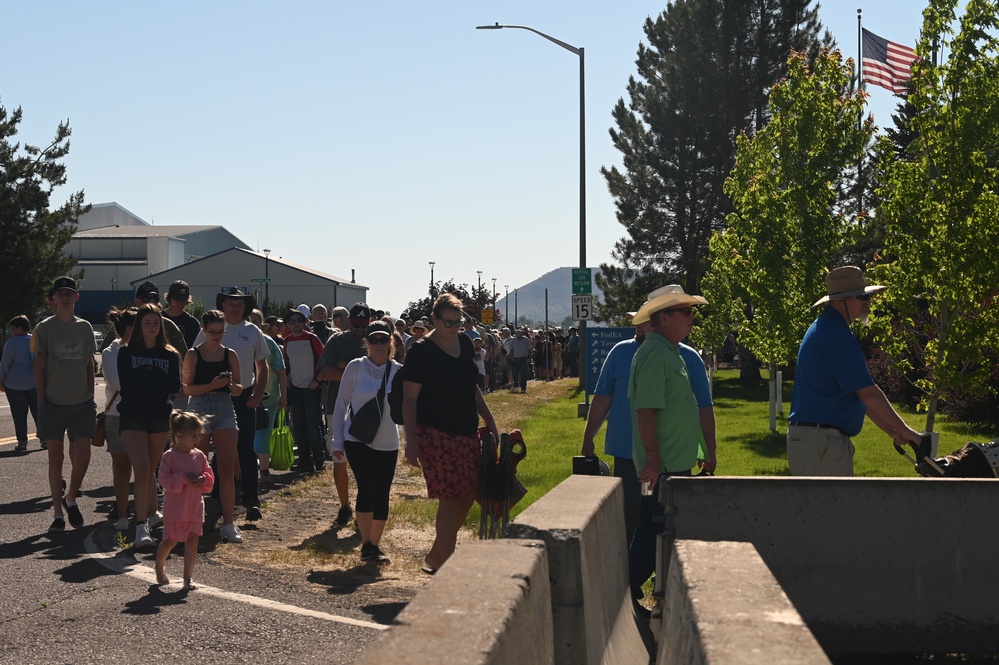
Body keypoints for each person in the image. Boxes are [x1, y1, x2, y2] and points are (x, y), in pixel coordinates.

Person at [788, 266, 921, 475]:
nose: (867, 302)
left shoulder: (830, 328)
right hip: (820, 440)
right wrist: (908, 431)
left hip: (818, 439)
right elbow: (867, 393)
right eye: (861, 296)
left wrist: (893, 431)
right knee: (829, 507)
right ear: (842, 301)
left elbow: (859, 396)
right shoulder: (835, 334)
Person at [403, 293, 499, 573]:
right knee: (449, 497)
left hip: (466, 432)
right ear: (434, 319)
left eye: (457, 323)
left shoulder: (466, 342)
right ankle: (447, 565)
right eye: (448, 323)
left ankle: (436, 555)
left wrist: (489, 418)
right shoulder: (421, 351)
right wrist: (411, 442)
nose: (454, 328)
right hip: (434, 434)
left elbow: (471, 385)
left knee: (467, 495)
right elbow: (409, 399)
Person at [626, 286, 708, 602]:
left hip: (667, 464)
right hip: (660, 468)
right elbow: (646, 411)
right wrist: (652, 461)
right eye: (685, 311)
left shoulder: (667, 351)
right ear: (664, 318)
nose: (692, 317)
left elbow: (678, 408)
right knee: (656, 526)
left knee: (652, 524)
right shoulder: (656, 353)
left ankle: (635, 590)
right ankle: (638, 591)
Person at [192, 287, 269, 524]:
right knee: (217, 451)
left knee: (246, 448)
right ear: (222, 306)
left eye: (239, 304)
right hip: (213, 396)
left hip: (243, 396)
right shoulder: (212, 329)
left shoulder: (253, 331)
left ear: (245, 307)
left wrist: (257, 395)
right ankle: (216, 498)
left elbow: (262, 367)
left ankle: (252, 501)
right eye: (229, 303)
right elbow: (194, 356)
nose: (234, 307)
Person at [330, 321, 402, 563]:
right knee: (368, 486)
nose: (378, 344)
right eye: (374, 340)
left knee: (382, 492)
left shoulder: (399, 371)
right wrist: (337, 441)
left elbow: (408, 410)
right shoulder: (356, 367)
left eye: (383, 339)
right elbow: (340, 406)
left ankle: (374, 544)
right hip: (356, 438)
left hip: (388, 442)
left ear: (391, 341)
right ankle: (366, 544)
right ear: (366, 343)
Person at [34, 276, 98, 533]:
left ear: (76, 297)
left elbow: (89, 365)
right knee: (56, 458)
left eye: (68, 293)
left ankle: (70, 497)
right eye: (59, 293)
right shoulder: (44, 328)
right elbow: (39, 366)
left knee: (83, 455)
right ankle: (58, 514)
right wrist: (41, 402)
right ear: (54, 298)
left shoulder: (84, 327)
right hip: (53, 402)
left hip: (81, 402)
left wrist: (91, 397)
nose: (64, 297)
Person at [117, 304, 183, 548]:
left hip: (158, 417)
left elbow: (174, 385)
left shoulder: (169, 354)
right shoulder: (126, 353)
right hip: (132, 416)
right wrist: (156, 384)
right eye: (147, 323)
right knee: (142, 471)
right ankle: (141, 527)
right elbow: (128, 386)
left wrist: (147, 383)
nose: (152, 327)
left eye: (156, 322)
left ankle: (145, 519)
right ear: (139, 326)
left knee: (151, 472)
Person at [184, 309, 245, 543]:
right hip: (198, 407)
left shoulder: (230, 355)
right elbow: (187, 389)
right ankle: (193, 517)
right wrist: (211, 385)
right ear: (203, 330)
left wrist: (231, 386)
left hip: (224, 406)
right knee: (196, 466)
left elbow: (239, 388)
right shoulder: (193, 354)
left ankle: (228, 523)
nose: (217, 336)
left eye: (220, 332)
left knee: (227, 468)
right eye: (212, 332)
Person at [318, 302, 373, 527]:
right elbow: (324, 372)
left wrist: (344, 367)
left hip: (368, 410)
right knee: (339, 458)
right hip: (337, 406)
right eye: (356, 325)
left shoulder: (373, 339)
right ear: (350, 321)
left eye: (363, 326)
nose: (359, 330)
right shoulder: (337, 341)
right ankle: (344, 506)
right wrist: (350, 372)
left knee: (366, 461)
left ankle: (364, 506)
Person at [154, 410, 216, 591]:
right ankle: (159, 566)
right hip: (175, 510)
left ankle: (187, 578)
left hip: (194, 508)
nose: (198, 439)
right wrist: (183, 478)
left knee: (192, 542)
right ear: (179, 436)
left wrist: (204, 479)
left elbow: (209, 476)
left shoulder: (199, 455)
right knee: (170, 541)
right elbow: (164, 480)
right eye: (193, 436)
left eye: (199, 435)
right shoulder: (169, 457)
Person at [101, 307, 137, 531]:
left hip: (144, 413)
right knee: (122, 467)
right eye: (139, 327)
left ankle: (146, 514)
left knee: (145, 469)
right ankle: (122, 513)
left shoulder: (150, 349)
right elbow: (117, 383)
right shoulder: (110, 352)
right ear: (127, 330)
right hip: (117, 414)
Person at [283, 308, 326, 472]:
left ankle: (319, 459)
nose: (296, 325)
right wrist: (287, 379)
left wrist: (317, 380)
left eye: (299, 321)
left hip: (311, 388)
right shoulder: (286, 342)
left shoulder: (312, 339)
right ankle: (304, 460)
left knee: (313, 426)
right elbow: (286, 363)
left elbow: (324, 361)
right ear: (288, 324)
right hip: (295, 389)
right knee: (299, 427)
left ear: (304, 323)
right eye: (292, 322)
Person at [249, 310, 288, 484]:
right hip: (242, 397)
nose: (252, 323)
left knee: (264, 433)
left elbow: (281, 371)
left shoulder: (269, 343)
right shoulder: (235, 342)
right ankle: (245, 471)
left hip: (269, 398)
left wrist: (284, 396)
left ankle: (264, 470)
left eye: (255, 321)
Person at [1, 315, 38, 451]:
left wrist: (1, 379)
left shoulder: (12, 343)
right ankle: (45, 439)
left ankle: (22, 441)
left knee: (19, 414)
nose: (11, 331)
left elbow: (5, 363)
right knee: (38, 411)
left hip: (14, 383)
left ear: (19, 328)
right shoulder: (34, 341)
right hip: (33, 382)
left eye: (13, 328)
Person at [162, 280, 201, 350]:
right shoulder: (157, 318)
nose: (180, 303)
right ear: (170, 298)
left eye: (183, 299)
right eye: (177, 299)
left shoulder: (193, 323)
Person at [508, 328, 533, 393]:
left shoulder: (526, 340)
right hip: (516, 359)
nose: (518, 337)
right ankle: (515, 385)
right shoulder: (513, 341)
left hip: (523, 358)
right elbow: (511, 350)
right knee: (515, 373)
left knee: (523, 374)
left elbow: (529, 350)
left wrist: (529, 358)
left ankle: (523, 388)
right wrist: (512, 357)